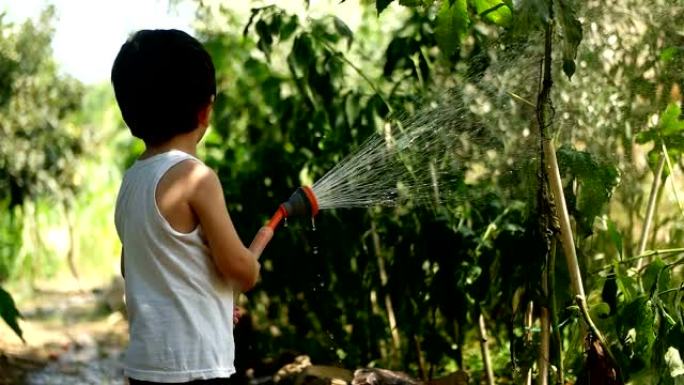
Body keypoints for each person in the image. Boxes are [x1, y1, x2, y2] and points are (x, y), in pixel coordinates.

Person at [112, 29, 273, 384]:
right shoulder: (195, 178)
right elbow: (239, 271)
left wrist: (211, 301)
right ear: (206, 110)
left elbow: (134, 266)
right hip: (198, 367)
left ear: (129, 112)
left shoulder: (131, 182)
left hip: (146, 368)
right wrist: (249, 269)